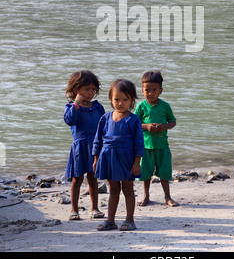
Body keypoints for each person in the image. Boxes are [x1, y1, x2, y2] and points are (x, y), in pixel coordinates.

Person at [92, 79, 144, 231]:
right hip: (108, 158)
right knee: (113, 190)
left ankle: (129, 220)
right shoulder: (105, 118)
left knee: (128, 189)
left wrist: (137, 162)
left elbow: (139, 143)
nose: (120, 103)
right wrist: (96, 159)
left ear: (132, 100)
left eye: (125, 100)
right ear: (110, 99)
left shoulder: (133, 120)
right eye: (117, 99)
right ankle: (110, 221)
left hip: (126, 159)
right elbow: (97, 141)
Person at [64, 70, 105, 221]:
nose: (91, 93)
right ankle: (74, 210)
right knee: (77, 179)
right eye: (87, 89)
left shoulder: (97, 107)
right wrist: (76, 103)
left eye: (93, 89)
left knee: (93, 178)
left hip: (95, 147)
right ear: (76, 90)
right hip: (80, 148)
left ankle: (95, 208)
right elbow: (70, 120)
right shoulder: (71, 107)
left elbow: (104, 125)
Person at [135, 70, 179, 207]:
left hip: (162, 146)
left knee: (164, 173)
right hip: (146, 147)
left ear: (160, 90)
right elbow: (135, 124)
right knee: (146, 174)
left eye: (154, 90)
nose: (150, 93)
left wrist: (164, 127)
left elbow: (173, 122)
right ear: (142, 90)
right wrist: (147, 126)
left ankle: (167, 197)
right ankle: (146, 196)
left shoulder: (165, 106)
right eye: (147, 90)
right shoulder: (141, 106)